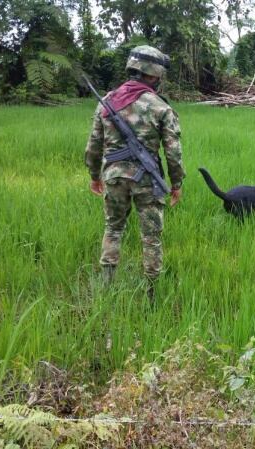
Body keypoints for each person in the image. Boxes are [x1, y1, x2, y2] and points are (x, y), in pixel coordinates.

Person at [84, 45, 185, 300]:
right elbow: (173, 152)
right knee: (151, 237)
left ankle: (106, 285)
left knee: (113, 228)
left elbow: (93, 146)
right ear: (155, 74)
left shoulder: (106, 102)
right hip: (147, 181)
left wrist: (94, 176)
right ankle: (152, 292)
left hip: (114, 176)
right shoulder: (160, 107)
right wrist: (176, 184)